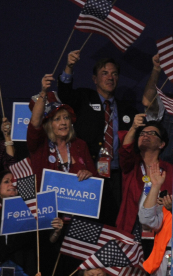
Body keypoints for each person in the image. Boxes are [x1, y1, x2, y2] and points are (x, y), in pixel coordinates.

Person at [57, 52, 136, 219]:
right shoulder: (84, 98)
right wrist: (69, 67)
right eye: (104, 73)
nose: (110, 77)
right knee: (88, 221)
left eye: (114, 74)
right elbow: (65, 93)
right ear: (94, 79)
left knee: (114, 220)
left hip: (116, 176)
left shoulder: (126, 109)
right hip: (88, 172)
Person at [116, 116, 170, 241]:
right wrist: (134, 127)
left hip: (160, 227)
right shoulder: (131, 165)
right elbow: (125, 150)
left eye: (151, 133)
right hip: (132, 226)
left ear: (162, 144)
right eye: (142, 133)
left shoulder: (170, 170)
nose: (145, 135)